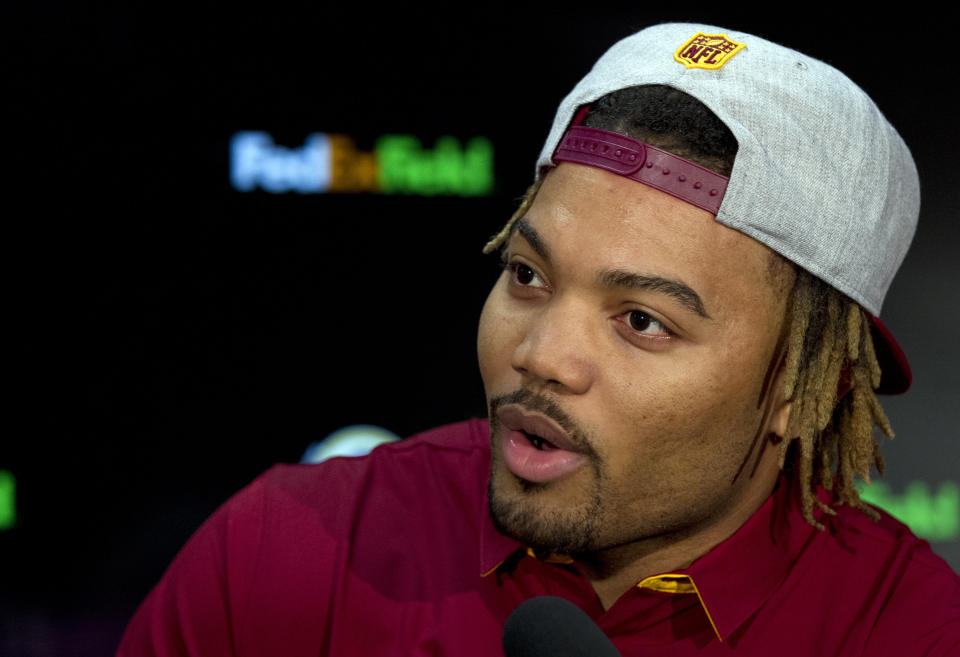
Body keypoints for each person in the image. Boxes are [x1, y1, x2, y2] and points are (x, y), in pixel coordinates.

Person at [116, 23, 960, 656]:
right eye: (528, 276)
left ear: (806, 390)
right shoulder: (281, 552)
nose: (542, 354)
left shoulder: (910, 630)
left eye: (641, 320)